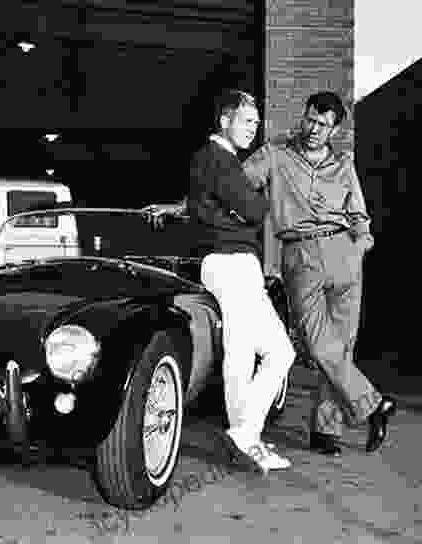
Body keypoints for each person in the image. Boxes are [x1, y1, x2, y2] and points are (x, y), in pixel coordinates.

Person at [145, 89, 296, 473]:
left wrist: (240, 208)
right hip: (231, 264)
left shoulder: (215, 161)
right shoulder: (219, 159)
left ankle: (245, 432)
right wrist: (250, 204)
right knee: (243, 351)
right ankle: (245, 436)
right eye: (246, 121)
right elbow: (255, 209)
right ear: (224, 120)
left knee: (279, 351)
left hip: (234, 263)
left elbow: (229, 209)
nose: (253, 128)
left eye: (256, 122)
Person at [242, 91, 396, 455]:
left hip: (345, 253)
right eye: (310, 119)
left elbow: (359, 217)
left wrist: (359, 248)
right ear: (304, 116)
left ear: (334, 130)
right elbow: (231, 186)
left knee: (341, 347)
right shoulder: (276, 155)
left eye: (323, 125)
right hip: (301, 254)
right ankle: (371, 404)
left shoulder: (343, 164)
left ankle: (326, 431)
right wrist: (185, 205)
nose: (313, 129)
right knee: (315, 344)